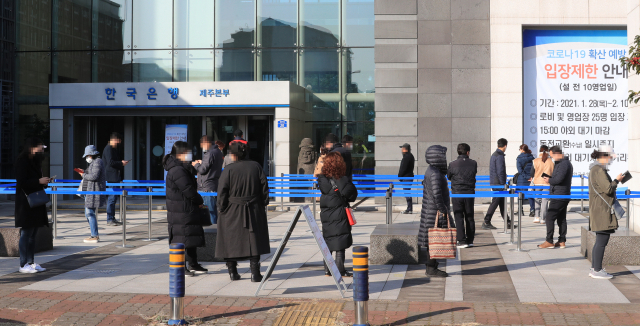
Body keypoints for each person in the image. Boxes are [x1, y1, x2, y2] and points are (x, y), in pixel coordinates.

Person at [216, 141, 270, 282]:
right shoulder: (256, 166)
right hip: (253, 207)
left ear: (233, 155)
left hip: (232, 209)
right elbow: (264, 188)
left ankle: (233, 272)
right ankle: (255, 273)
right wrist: (262, 203)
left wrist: (221, 207)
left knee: (230, 240)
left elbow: (222, 191)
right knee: (254, 240)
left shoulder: (228, 169)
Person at [164, 141, 207, 276]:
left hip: (185, 209)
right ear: (180, 154)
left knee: (189, 237)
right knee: (182, 239)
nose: (190, 155)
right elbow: (188, 190)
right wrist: (199, 200)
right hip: (181, 210)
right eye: (187, 152)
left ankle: (193, 263)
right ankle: (181, 267)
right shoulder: (177, 170)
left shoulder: (180, 167)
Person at [317, 152, 357, 277]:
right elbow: (352, 195)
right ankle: (340, 270)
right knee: (340, 241)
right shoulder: (343, 180)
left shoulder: (322, 179)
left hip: (326, 215)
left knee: (328, 240)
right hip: (339, 214)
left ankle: (327, 269)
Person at [14, 137, 50, 274]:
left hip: (36, 200)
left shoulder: (35, 161)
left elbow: (35, 180)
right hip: (26, 202)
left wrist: (43, 181)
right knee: (26, 232)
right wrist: (38, 181)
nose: (42, 149)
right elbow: (22, 182)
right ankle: (23, 264)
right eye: (40, 146)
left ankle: (31, 262)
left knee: (33, 233)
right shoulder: (22, 161)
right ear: (32, 147)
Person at [418, 145, 454, 277]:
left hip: (431, 211)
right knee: (433, 240)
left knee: (432, 240)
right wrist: (443, 210)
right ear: (437, 157)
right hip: (434, 212)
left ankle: (432, 266)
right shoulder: (435, 174)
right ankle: (431, 268)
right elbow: (436, 194)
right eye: (443, 156)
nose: (445, 159)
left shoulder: (433, 171)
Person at [588, 145, 622, 279]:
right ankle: (597, 270)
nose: (611, 159)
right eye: (609, 157)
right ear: (603, 157)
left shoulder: (595, 169)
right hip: (602, 210)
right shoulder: (598, 170)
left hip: (599, 209)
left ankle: (594, 268)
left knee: (600, 240)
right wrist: (617, 181)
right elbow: (608, 189)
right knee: (602, 240)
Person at [537, 146, 573, 249]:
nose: (552, 158)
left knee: (549, 217)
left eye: (552, 156)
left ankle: (549, 241)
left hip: (559, 195)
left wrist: (549, 180)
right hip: (561, 194)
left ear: (556, 153)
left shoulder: (563, 164)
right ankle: (561, 241)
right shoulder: (562, 163)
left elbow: (559, 179)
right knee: (561, 218)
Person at [448, 143, 477, 248]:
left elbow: (449, 176)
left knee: (458, 216)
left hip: (457, 193)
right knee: (470, 217)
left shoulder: (452, 164)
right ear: (468, 152)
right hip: (469, 193)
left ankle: (461, 240)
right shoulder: (473, 163)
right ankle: (470, 240)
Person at [76, 145, 107, 243]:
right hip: (90, 190)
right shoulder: (95, 162)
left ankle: (94, 235)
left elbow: (94, 176)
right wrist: (84, 172)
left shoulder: (97, 162)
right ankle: (93, 234)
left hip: (93, 190)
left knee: (89, 213)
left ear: (91, 154)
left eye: (87, 155)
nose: (87, 158)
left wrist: (83, 174)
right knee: (88, 213)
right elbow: (93, 174)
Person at [194, 136, 223, 225]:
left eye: (202, 145)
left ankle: (211, 235)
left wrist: (196, 165)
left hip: (206, 187)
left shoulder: (209, 153)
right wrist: (202, 162)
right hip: (213, 185)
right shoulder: (218, 152)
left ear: (206, 143)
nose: (202, 147)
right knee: (214, 212)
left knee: (209, 213)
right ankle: (215, 234)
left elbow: (203, 170)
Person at [483, 138, 511, 230]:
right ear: (505, 146)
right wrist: (503, 183)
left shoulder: (494, 155)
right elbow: (500, 171)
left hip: (495, 182)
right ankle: (486, 221)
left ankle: (508, 222)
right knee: (495, 202)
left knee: (501, 202)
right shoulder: (499, 156)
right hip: (498, 183)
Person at [103, 132, 129, 226]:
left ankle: (112, 218)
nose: (119, 143)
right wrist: (121, 163)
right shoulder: (108, 148)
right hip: (111, 177)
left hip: (115, 176)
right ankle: (110, 219)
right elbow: (110, 163)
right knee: (112, 198)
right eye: (118, 141)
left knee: (113, 198)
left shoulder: (113, 149)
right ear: (115, 139)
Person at [530, 145, 554, 224]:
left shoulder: (535, 160)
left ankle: (537, 217)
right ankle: (543, 218)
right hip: (547, 183)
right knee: (545, 201)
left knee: (537, 199)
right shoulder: (551, 161)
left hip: (537, 183)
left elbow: (531, 173)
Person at [516, 144, 535, 216]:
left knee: (520, 195)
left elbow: (520, 170)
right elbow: (534, 168)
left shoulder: (519, 158)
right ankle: (532, 210)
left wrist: (526, 176)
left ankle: (520, 210)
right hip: (530, 179)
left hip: (522, 179)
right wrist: (530, 177)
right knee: (530, 194)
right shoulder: (532, 157)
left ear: (522, 150)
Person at [398, 143, 415, 214]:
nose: (401, 150)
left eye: (402, 148)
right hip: (409, 176)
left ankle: (409, 208)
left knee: (407, 193)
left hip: (406, 177)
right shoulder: (411, 156)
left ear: (405, 149)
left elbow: (403, 168)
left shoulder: (406, 157)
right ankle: (409, 208)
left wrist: (399, 176)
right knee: (407, 192)